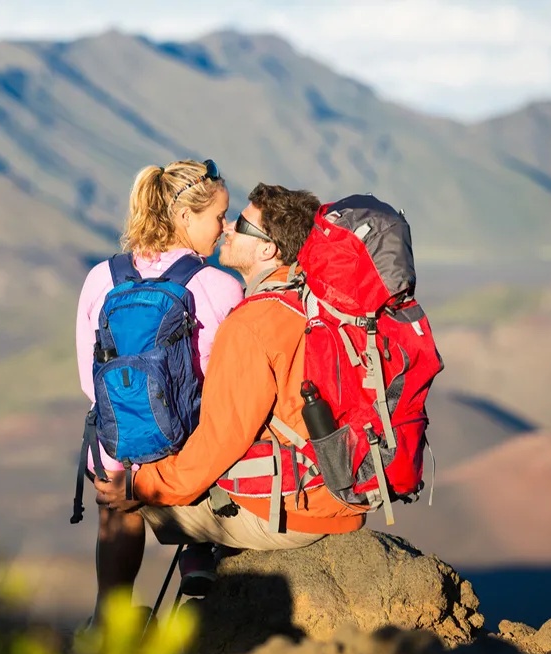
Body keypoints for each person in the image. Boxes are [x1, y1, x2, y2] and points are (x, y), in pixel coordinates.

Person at [94, 184, 366, 582]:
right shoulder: (309, 303)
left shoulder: (252, 325)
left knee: (124, 496)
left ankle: (118, 620)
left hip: (300, 512)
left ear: (267, 249)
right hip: (340, 492)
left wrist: (137, 485)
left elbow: (217, 444)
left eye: (240, 225)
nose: (227, 231)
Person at [75, 159, 244, 623]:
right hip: (187, 459)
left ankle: (107, 620)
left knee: (113, 492)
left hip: (118, 454)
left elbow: (89, 379)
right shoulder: (222, 287)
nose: (225, 227)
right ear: (186, 218)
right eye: (219, 216)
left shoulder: (101, 278)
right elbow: (235, 386)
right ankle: (199, 555)